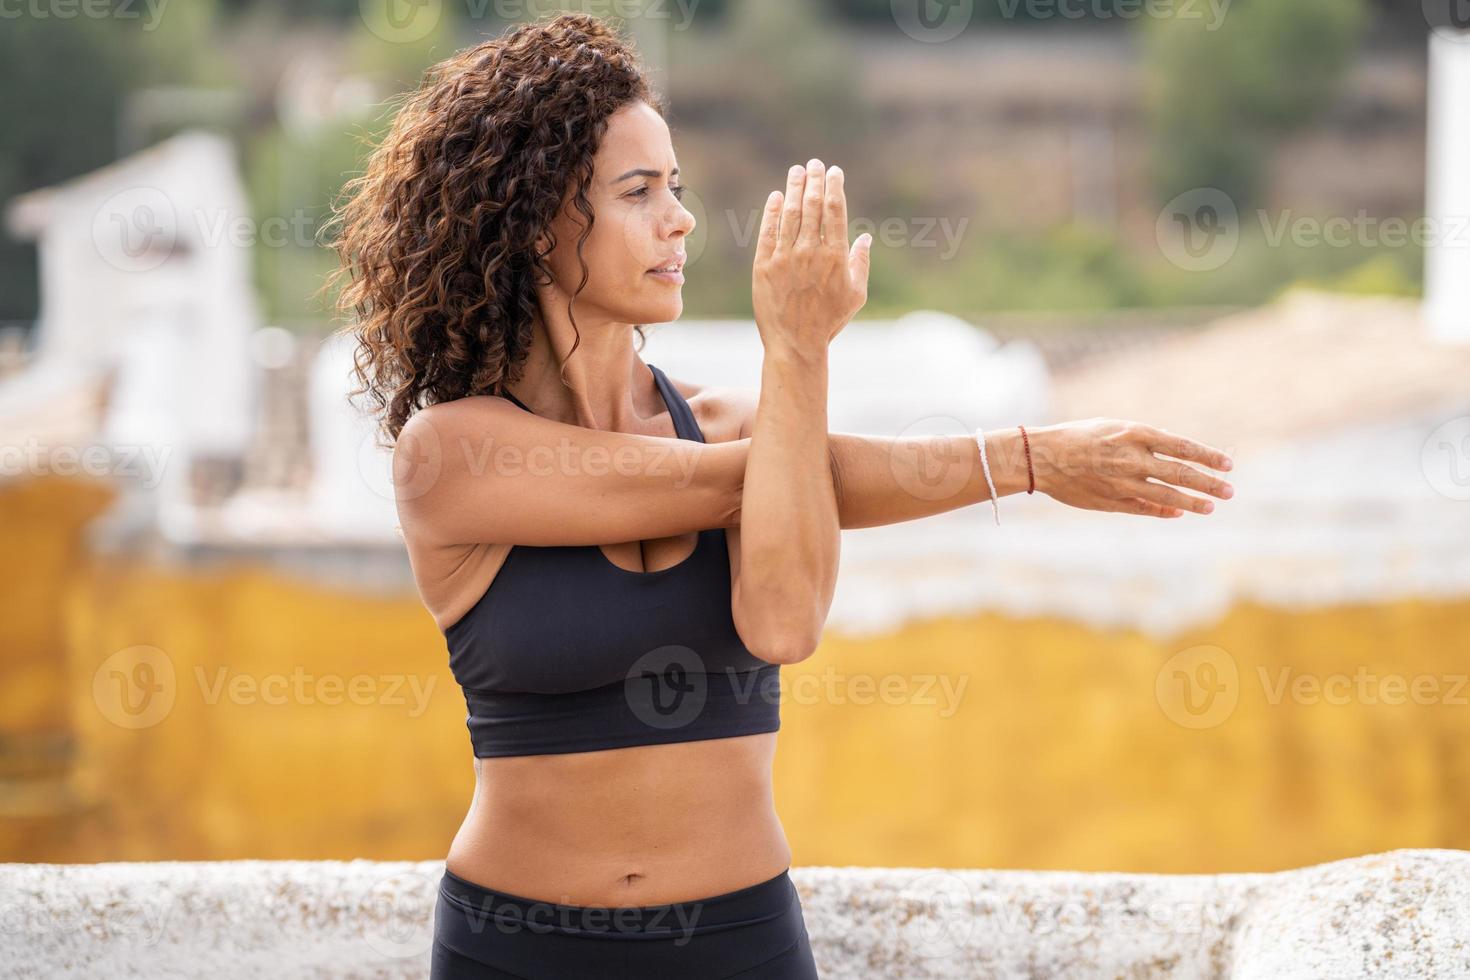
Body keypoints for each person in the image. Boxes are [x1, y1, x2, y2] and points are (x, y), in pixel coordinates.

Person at [324, 13, 1234, 979]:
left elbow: (785, 623)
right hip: (514, 949)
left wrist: (806, 365)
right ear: (533, 222)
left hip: (741, 943)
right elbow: (740, 483)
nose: (679, 219)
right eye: (639, 192)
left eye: (676, 188)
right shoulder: (454, 454)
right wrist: (1018, 455)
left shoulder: (741, 429)